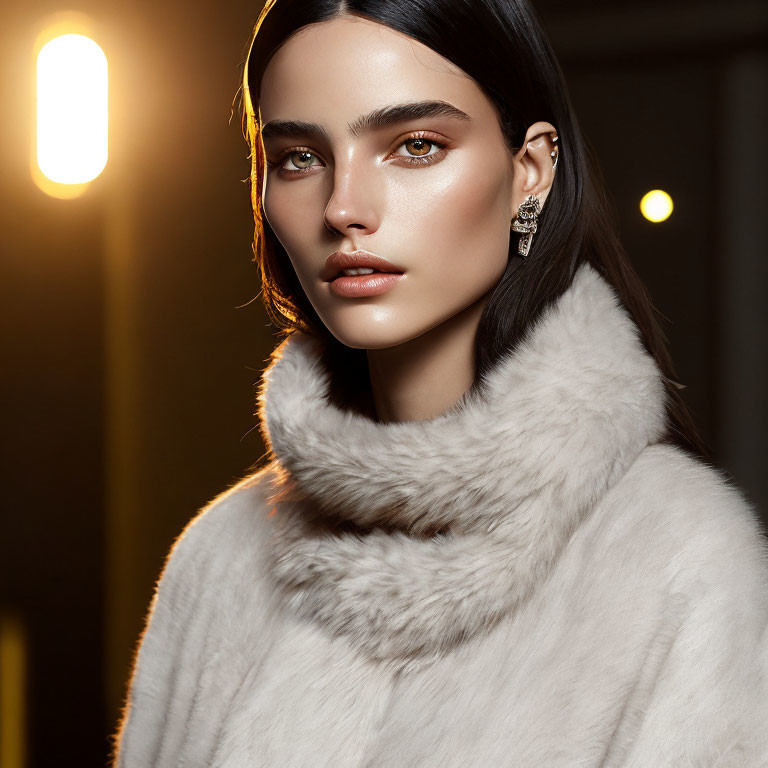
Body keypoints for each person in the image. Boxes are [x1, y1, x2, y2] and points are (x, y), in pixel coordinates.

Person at [111, 0, 768, 765]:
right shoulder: (219, 557)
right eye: (298, 157)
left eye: (415, 146)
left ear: (531, 170)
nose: (344, 207)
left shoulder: (677, 557)